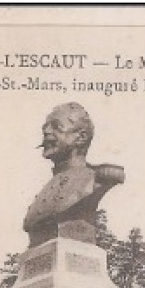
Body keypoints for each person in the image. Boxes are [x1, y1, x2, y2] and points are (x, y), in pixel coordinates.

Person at [24, 102, 124, 246]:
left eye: (56, 126)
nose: (47, 132)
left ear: (81, 137)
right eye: (45, 128)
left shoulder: (95, 179)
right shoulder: (45, 189)